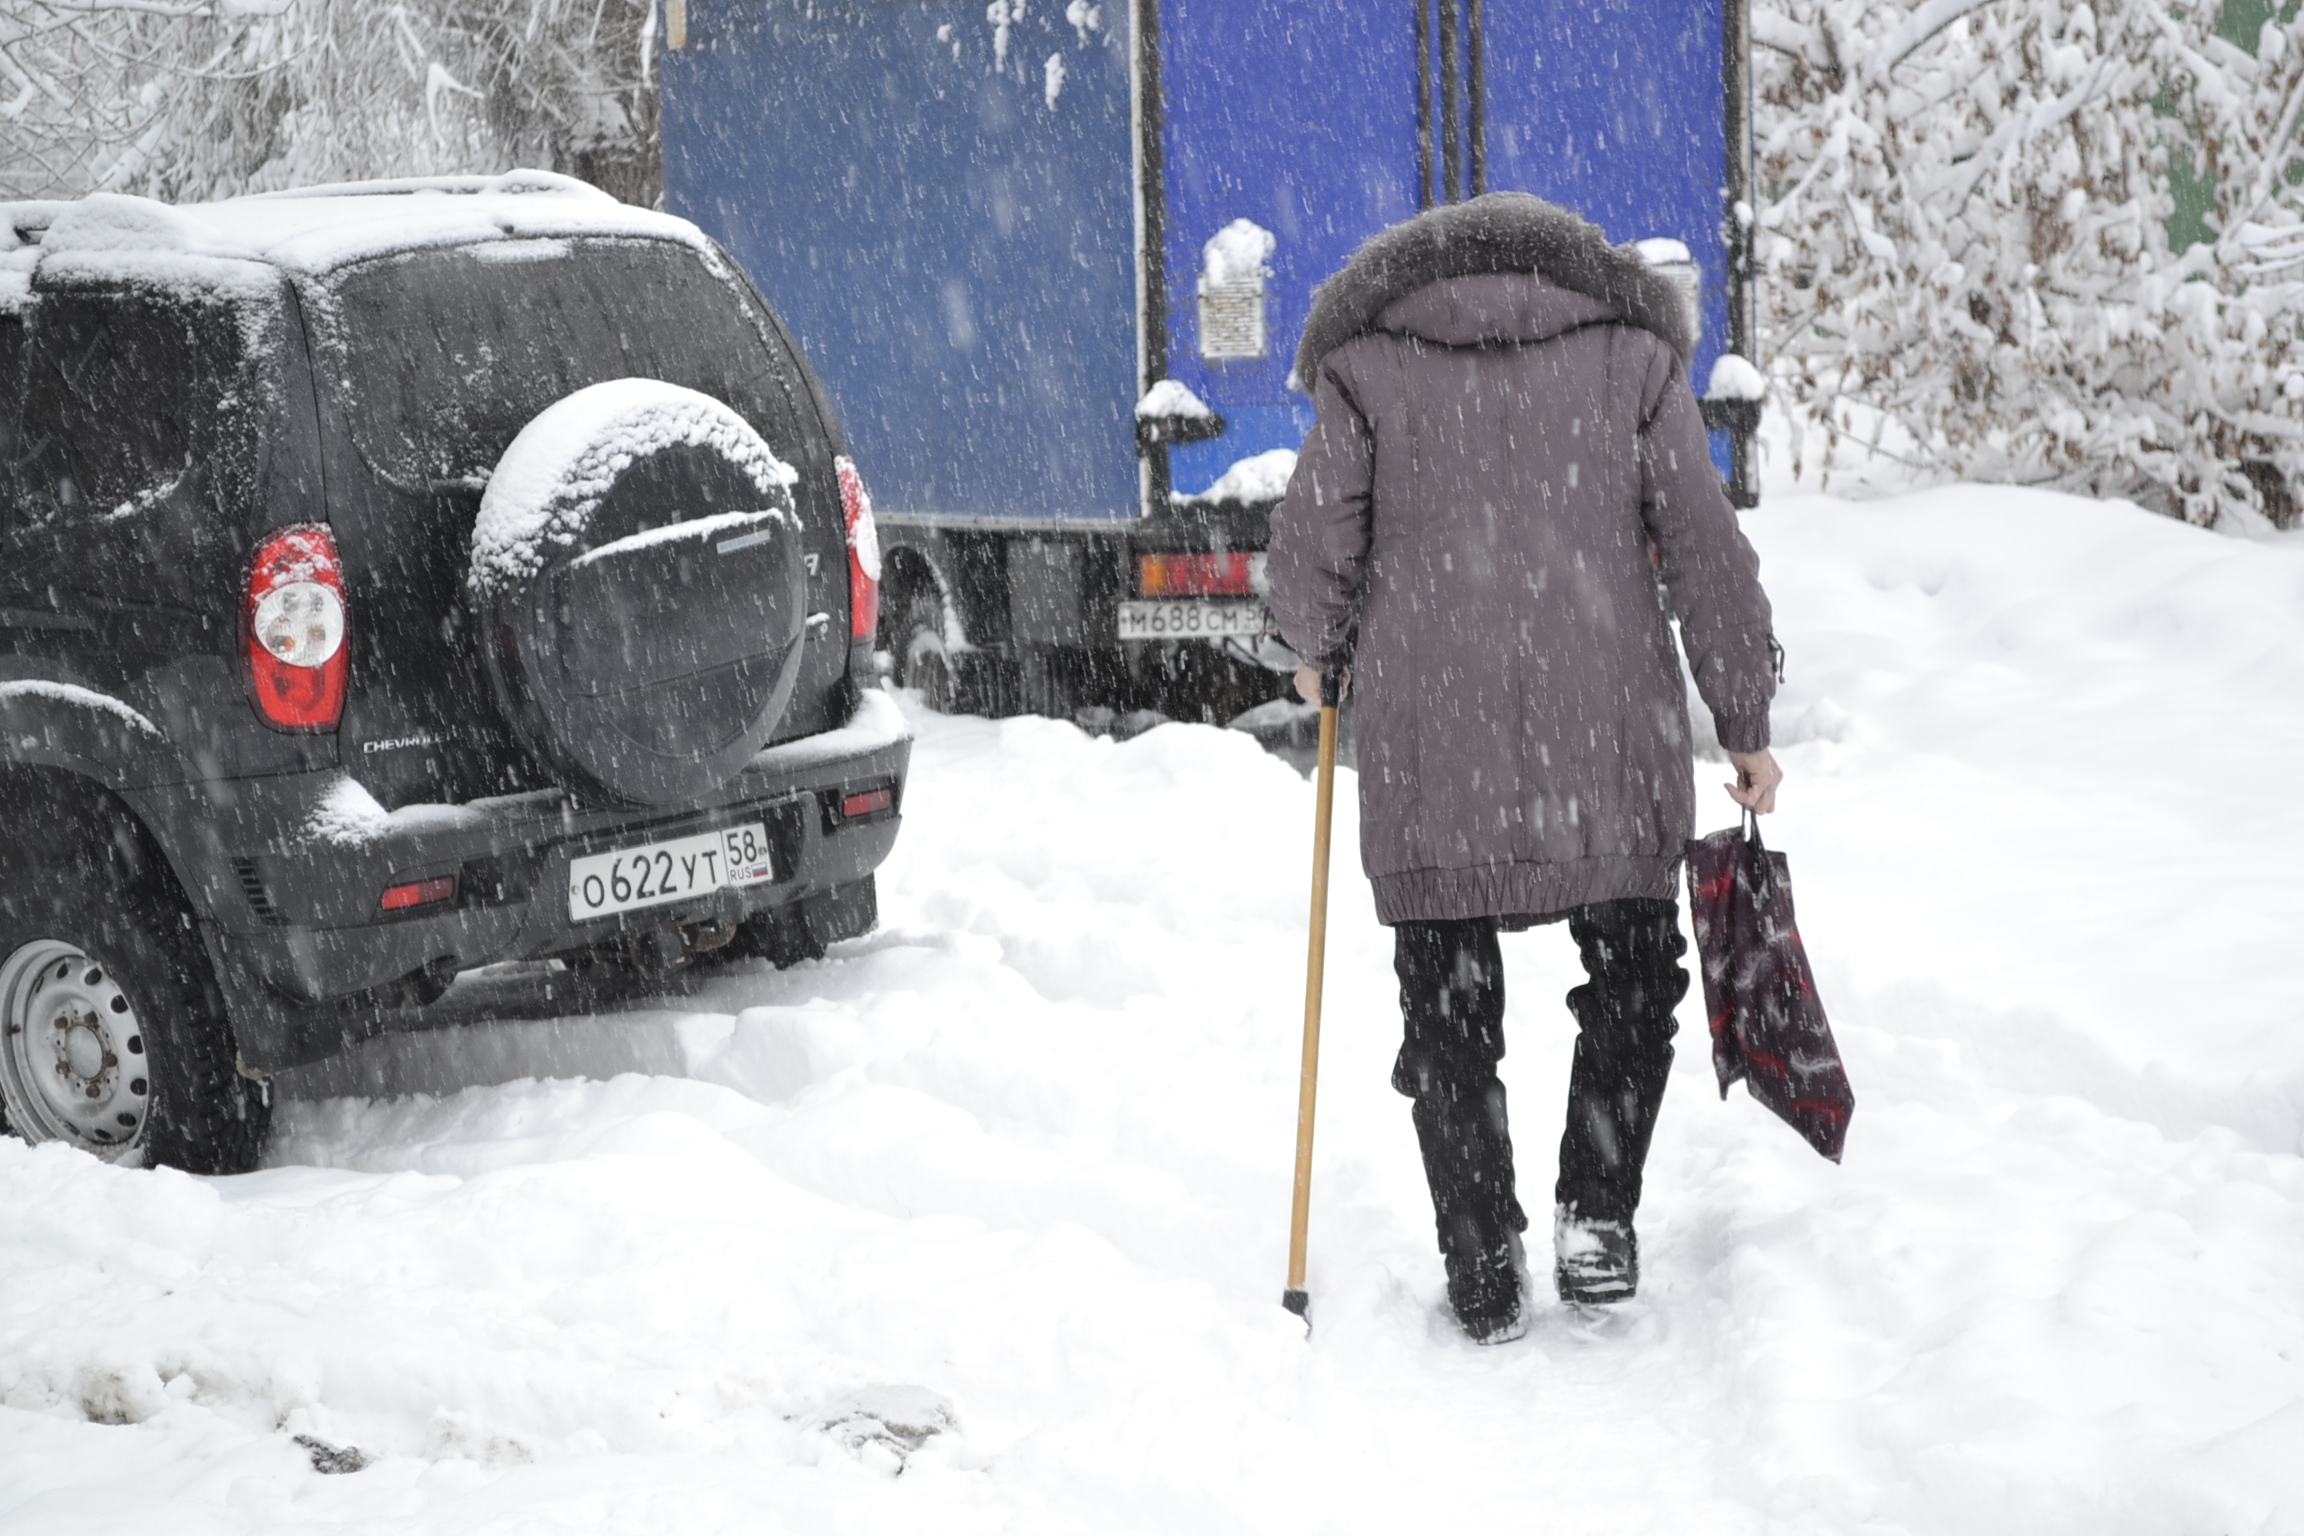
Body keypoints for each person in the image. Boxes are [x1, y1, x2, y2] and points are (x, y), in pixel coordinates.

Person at [1265, 192, 1782, 1344]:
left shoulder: (1365, 361)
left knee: (1449, 1007)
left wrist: (1312, 655)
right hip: (1605, 736)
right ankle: (1597, 1211)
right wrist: (1742, 716)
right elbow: (1707, 548)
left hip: (1429, 746)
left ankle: (1480, 1256)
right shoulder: (1633, 353)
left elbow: (1309, 558)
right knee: (1636, 974)